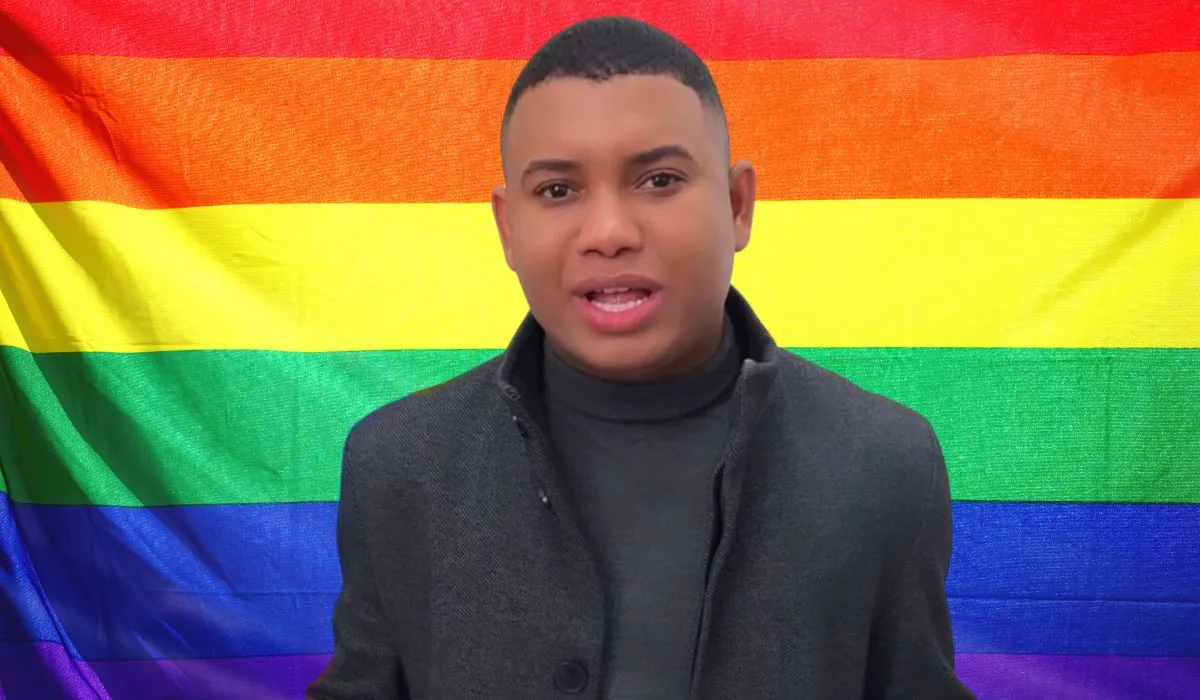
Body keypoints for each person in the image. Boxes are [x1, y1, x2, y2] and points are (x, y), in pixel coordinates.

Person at [308, 15, 974, 700]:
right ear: (508, 228)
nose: (609, 232)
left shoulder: (884, 463)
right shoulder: (398, 466)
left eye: (658, 180)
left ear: (737, 205)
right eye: (558, 190)